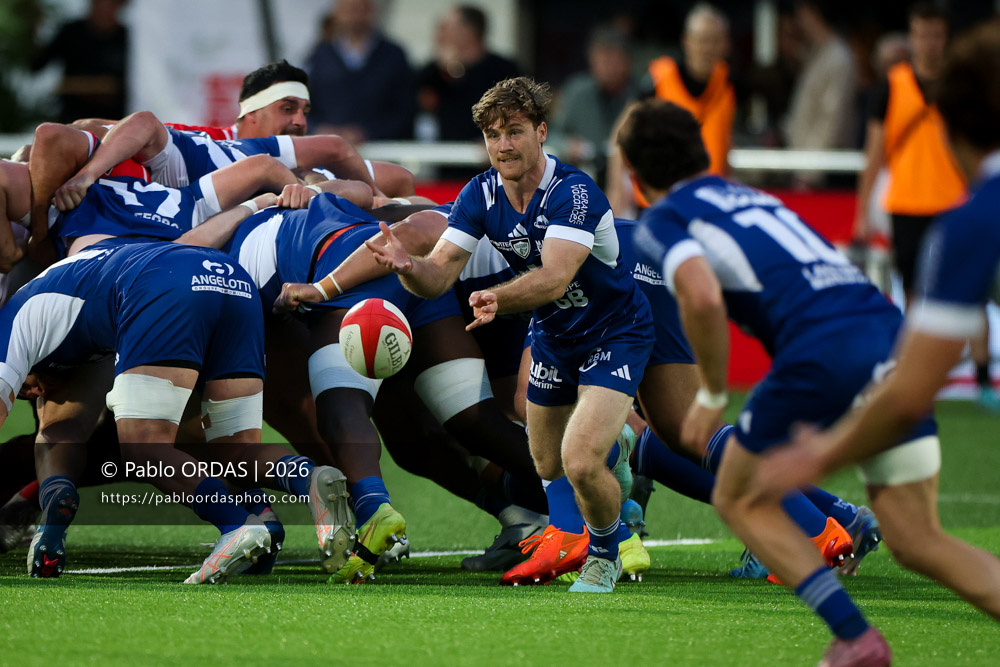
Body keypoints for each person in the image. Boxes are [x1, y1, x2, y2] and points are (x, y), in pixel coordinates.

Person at [616, 98, 938, 664]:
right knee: (924, 542)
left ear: (637, 179)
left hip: (823, 351)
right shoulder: (751, 195)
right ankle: (838, 529)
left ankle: (850, 624)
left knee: (738, 489)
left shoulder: (663, 221)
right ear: (703, 153)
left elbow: (702, 295)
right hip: (892, 337)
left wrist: (713, 394)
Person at [367, 77, 654, 593]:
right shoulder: (479, 193)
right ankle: (618, 450)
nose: (503, 144)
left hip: (614, 331)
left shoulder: (575, 191)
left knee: (579, 459)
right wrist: (408, 265)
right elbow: (439, 275)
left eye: (515, 131)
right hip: (554, 337)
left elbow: (556, 276)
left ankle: (605, 554)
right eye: (493, 134)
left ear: (541, 132)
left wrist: (498, 298)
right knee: (545, 461)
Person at [757, 19, 1000, 626]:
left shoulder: (970, 225)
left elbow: (909, 394)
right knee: (914, 537)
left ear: (947, 126)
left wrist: (818, 457)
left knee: (913, 535)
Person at [854, 3, 997, 408]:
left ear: (945, 36)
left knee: (979, 294)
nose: (929, 43)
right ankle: (922, 384)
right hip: (908, 205)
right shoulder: (891, 86)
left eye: (936, 34)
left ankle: (984, 381)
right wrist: (862, 210)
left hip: (958, 203)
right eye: (922, 34)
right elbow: (875, 153)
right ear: (912, 36)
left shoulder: (963, 83)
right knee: (916, 294)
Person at [606, 3, 734, 214]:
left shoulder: (726, 82)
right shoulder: (661, 79)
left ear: (725, 44)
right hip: (658, 204)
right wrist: (615, 189)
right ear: (686, 40)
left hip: (707, 203)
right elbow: (620, 134)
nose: (708, 48)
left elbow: (725, 139)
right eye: (702, 40)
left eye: (715, 41)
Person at [305, 0, 416, 143]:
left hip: (382, 153)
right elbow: (305, 104)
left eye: (358, 9)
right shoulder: (319, 56)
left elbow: (405, 110)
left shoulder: (393, 56)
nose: (353, 17)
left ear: (370, 12)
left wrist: (368, 133)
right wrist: (319, 129)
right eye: (347, 10)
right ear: (336, 13)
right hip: (329, 153)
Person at [548, 27, 637, 187]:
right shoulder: (576, 91)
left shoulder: (639, 94)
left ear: (627, 62)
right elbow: (551, 135)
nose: (606, 67)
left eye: (612, 60)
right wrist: (568, 146)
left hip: (630, 179)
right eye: (601, 60)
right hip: (582, 179)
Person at [416, 5, 520, 143]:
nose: (440, 32)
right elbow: (421, 106)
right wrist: (447, 70)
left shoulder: (504, 70)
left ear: (468, 32)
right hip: (444, 157)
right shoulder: (432, 71)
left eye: (447, 27)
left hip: (492, 156)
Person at [784, 0, 857, 169]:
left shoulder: (838, 57)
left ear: (812, 13)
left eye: (801, 14)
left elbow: (830, 120)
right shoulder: (820, 53)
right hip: (807, 163)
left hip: (822, 168)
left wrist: (810, 172)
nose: (799, 21)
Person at [30, 0, 128, 123]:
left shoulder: (127, 37)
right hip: (73, 115)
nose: (105, 8)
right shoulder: (70, 32)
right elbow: (38, 64)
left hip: (113, 118)